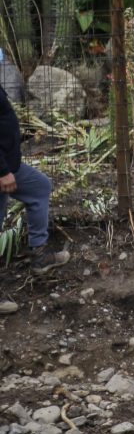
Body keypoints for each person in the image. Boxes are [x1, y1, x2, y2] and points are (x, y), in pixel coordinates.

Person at [0, 82, 69, 315]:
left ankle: (39, 256)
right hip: (3, 170)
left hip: (11, 167)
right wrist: (2, 171)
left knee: (39, 186)